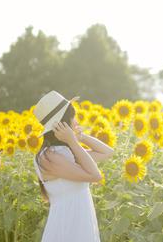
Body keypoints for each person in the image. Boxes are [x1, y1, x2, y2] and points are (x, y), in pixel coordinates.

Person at [32, 91, 114, 242]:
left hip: (80, 223)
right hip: (67, 227)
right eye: (72, 117)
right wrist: (73, 141)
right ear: (62, 123)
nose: (75, 121)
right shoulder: (48, 156)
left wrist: (80, 137)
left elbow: (107, 152)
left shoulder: (67, 151)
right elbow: (95, 176)